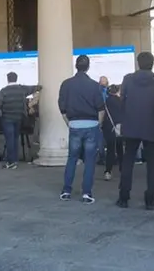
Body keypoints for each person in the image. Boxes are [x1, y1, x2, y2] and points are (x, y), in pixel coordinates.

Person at [117, 52, 154, 210]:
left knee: (128, 161)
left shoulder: (128, 79)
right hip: (151, 125)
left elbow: (122, 100)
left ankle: (124, 196)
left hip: (131, 124)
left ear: (138, 63)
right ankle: (150, 198)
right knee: (152, 164)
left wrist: (123, 120)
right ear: (152, 64)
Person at [58, 55, 105, 204]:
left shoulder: (66, 84)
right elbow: (100, 108)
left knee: (72, 158)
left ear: (76, 66)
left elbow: (62, 108)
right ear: (88, 67)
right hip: (91, 124)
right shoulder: (94, 85)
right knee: (90, 160)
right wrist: (99, 124)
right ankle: (86, 193)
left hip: (74, 124)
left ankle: (66, 190)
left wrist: (69, 123)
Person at [0, 72, 40, 169]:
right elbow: (36, 88)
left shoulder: (4, 91)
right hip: (19, 118)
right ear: (16, 78)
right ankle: (14, 160)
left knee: (9, 140)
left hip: (7, 118)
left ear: (8, 79)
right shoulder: (22, 89)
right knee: (15, 139)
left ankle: (10, 161)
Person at [101, 85, 124, 181]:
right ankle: (123, 170)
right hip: (120, 127)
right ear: (117, 91)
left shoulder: (105, 102)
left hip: (109, 128)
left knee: (110, 149)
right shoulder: (121, 101)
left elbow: (103, 115)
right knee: (120, 149)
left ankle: (108, 171)